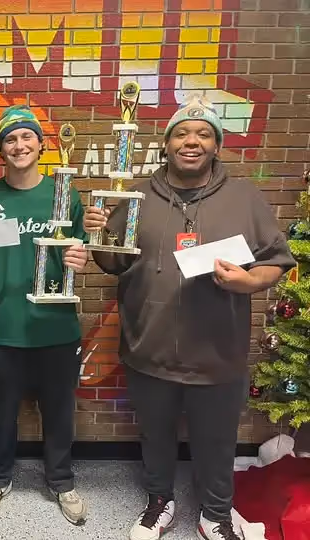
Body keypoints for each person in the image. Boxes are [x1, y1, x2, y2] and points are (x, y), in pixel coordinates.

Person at [83, 95, 295, 540]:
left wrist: (249, 282)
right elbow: (114, 262)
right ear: (166, 144)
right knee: (155, 435)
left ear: (217, 145)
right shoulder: (138, 196)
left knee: (217, 439)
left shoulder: (243, 197)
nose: (191, 141)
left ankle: (215, 514)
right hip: (149, 346)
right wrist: (97, 233)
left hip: (218, 351)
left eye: (203, 134)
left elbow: (275, 261)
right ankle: (159, 502)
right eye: (181, 133)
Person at [0, 105, 90, 525]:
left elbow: (82, 248)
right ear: (2, 150)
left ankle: (61, 480)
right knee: (2, 412)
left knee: (59, 412)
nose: (19, 145)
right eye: (10, 139)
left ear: (41, 144)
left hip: (57, 327)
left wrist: (82, 257)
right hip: (4, 327)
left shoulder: (64, 194)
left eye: (27, 136)